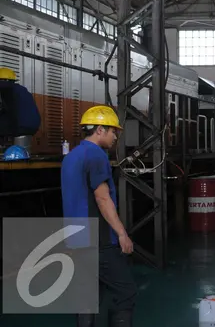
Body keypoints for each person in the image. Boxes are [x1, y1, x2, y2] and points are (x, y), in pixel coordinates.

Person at [61, 105, 136, 327]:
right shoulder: (96, 155)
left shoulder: (72, 156)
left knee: (87, 297)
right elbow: (102, 199)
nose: (116, 137)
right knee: (126, 292)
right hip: (99, 240)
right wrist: (121, 234)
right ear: (100, 129)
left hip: (76, 239)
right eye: (113, 131)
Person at [0, 67, 41, 138]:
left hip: (19, 126)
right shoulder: (22, 89)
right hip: (33, 126)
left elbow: (9, 108)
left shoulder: (5, 88)